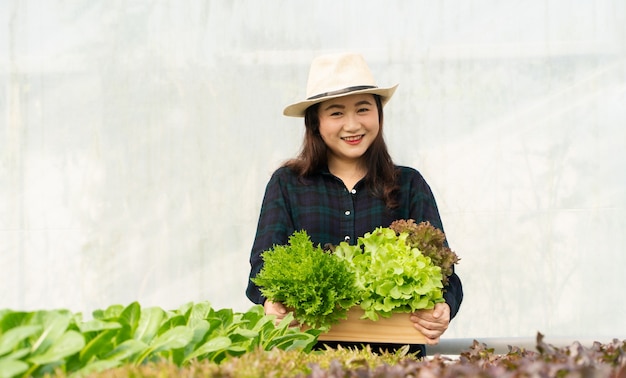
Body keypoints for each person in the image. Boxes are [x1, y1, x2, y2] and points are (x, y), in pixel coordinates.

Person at [246, 52, 463, 356]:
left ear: (378, 114)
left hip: (395, 361)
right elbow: (262, 269)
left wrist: (443, 308)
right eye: (336, 113)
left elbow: (446, 274)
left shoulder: (409, 185)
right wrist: (272, 303)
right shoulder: (288, 184)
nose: (352, 125)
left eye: (363, 109)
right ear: (316, 122)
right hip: (311, 359)